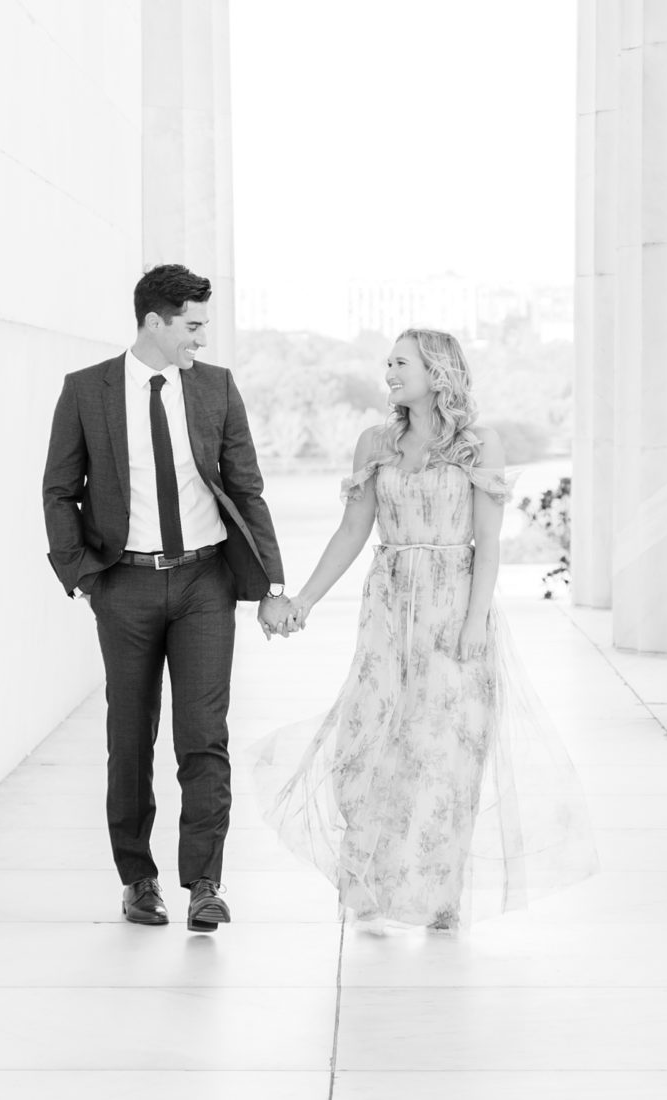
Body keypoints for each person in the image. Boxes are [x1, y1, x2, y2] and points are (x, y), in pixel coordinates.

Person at [249, 327, 596, 928]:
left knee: (445, 757)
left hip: (454, 608)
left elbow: (488, 544)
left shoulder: (478, 445)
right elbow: (353, 531)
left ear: (438, 372)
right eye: (387, 362)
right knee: (367, 745)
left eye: (400, 362)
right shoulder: (375, 443)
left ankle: (439, 900)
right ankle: (366, 884)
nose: (388, 371)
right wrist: (303, 598)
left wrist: (474, 623)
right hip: (387, 610)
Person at [40, 262, 296, 931]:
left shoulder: (214, 389)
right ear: (153, 322)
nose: (200, 339)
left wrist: (270, 583)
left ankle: (205, 882)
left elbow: (247, 488)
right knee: (130, 738)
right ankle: (138, 879)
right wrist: (87, 577)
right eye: (192, 325)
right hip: (123, 584)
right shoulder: (87, 391)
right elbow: (58, 490)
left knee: (203, 738)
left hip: (206, 583)